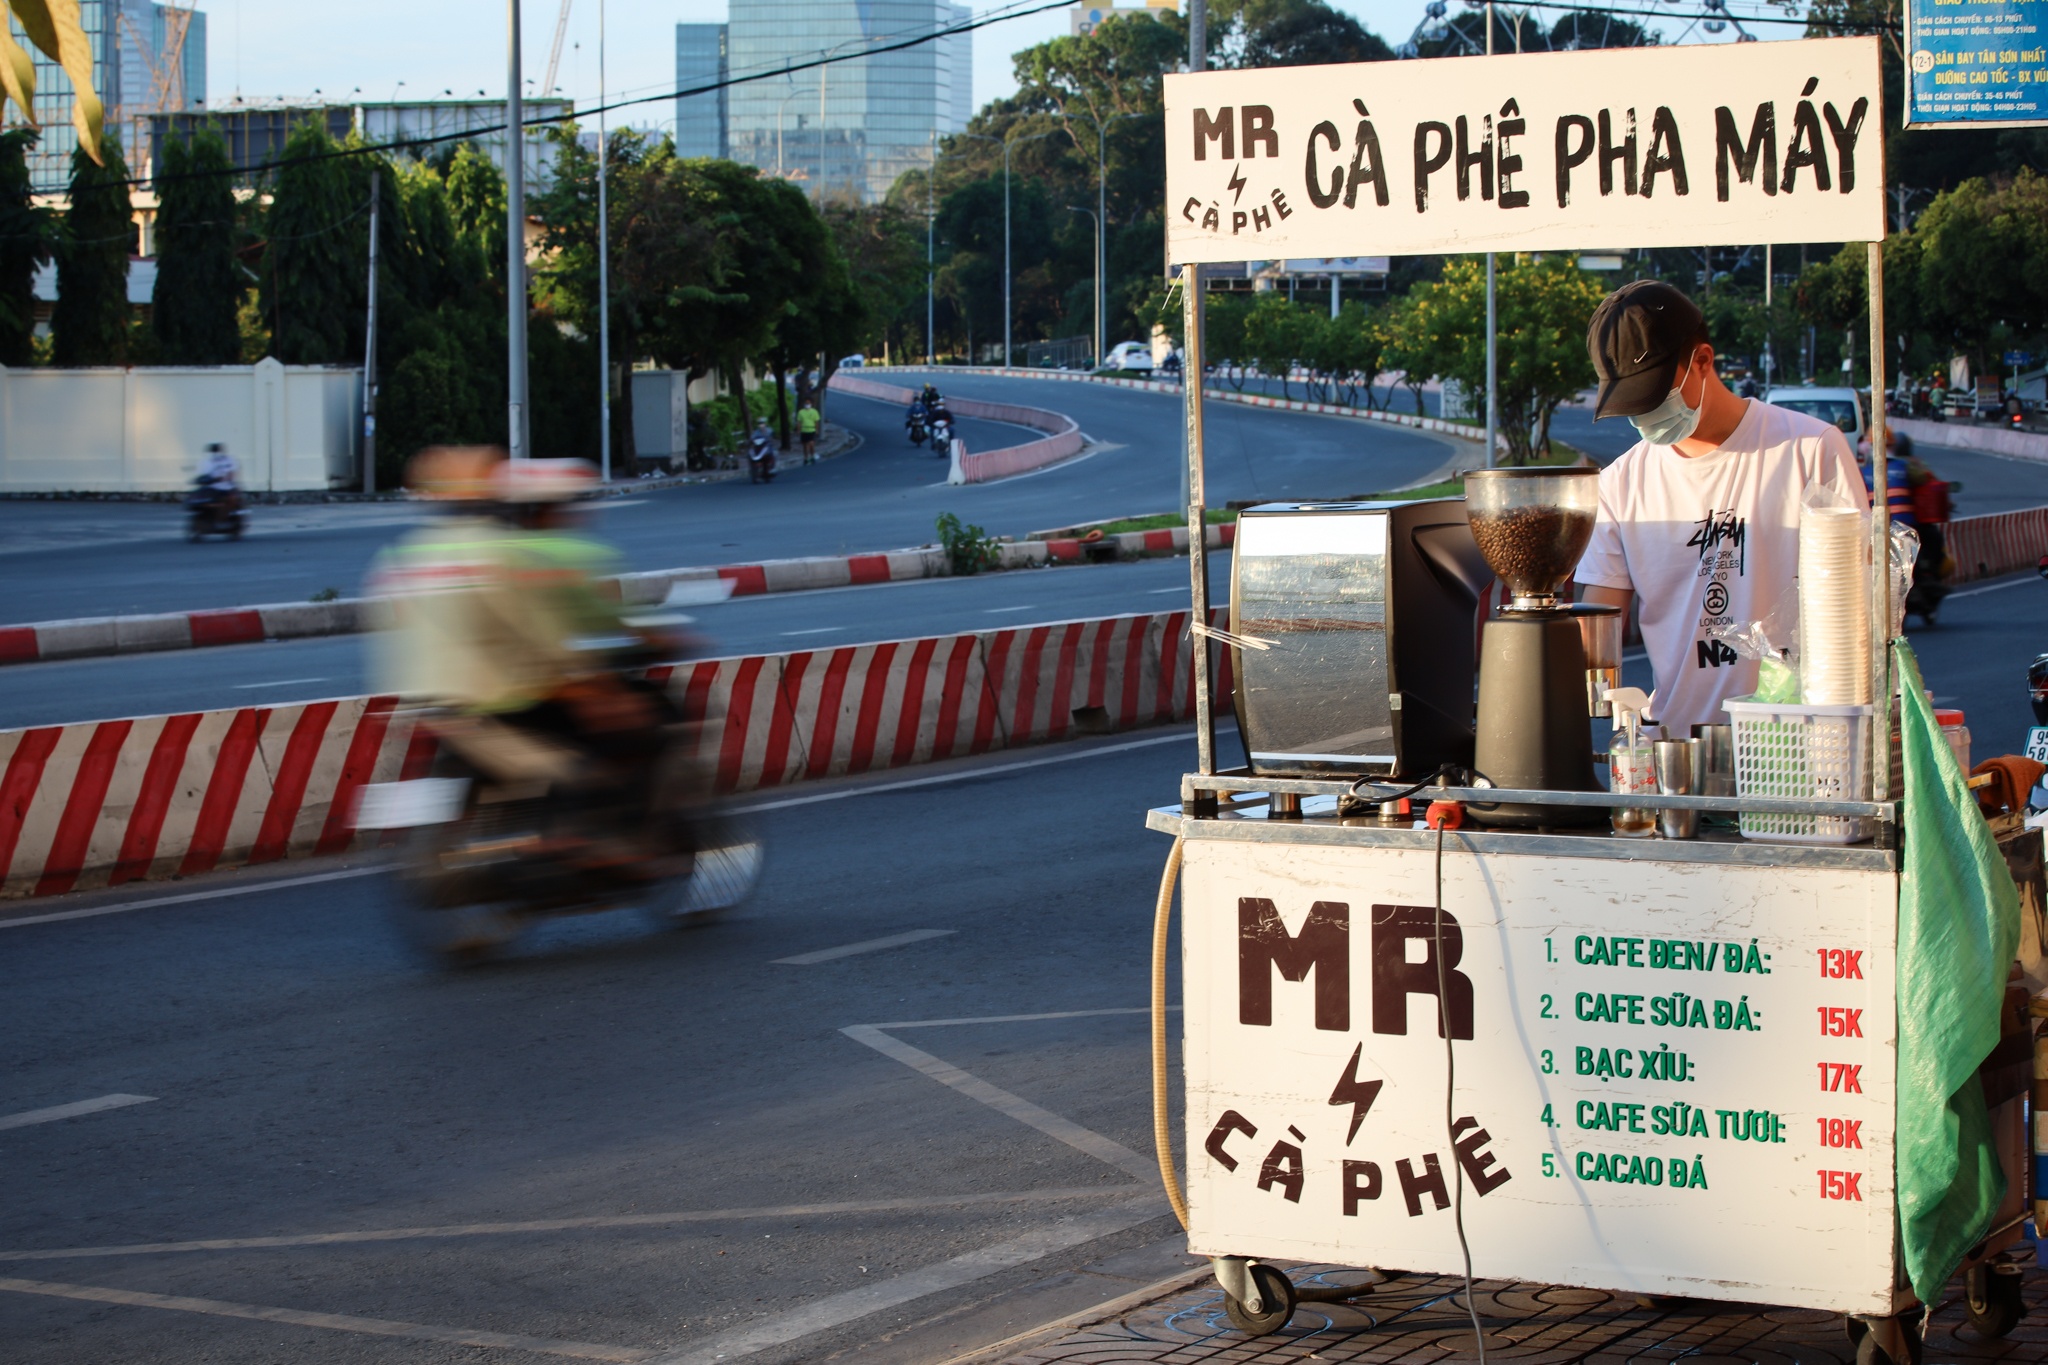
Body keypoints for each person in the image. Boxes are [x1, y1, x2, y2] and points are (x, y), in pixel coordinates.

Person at [1575, 281, 1869, 736]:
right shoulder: (1620, 485)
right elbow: (1596, 631)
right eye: (1632, 406)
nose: (1644, 417)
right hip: (1678, 752)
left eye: (1654, 398)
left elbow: (1856, 607)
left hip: (1800, 745)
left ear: (1703, 362)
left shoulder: (1810, 451)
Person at [796, 399, 821, 463]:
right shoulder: (801, 412)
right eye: (806, 403)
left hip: (811, 429)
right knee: (805, 445)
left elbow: (816, 421)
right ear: (804, 404)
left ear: (811, 404)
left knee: (811, 443)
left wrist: (817, 429)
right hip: (804, 430)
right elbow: (799, 422)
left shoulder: (814, 412)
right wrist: (798, 430)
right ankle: (806, 457)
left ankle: (812, 455)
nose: (807, 405)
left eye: (808, 403)